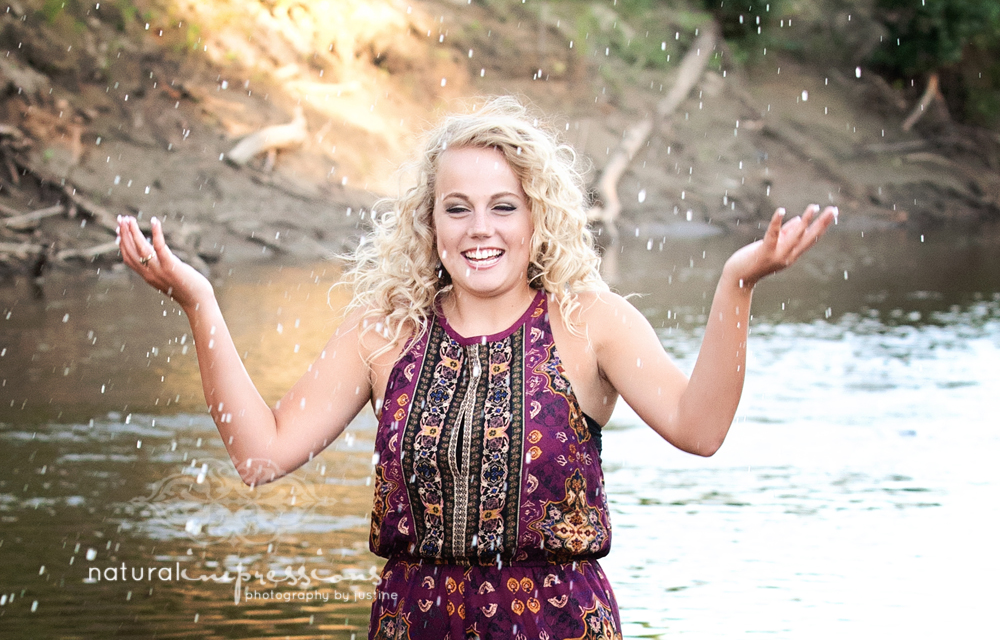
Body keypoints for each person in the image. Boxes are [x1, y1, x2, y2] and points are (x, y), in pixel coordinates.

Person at [117, 96, 835, 640]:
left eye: (503, 206)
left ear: (537, 217)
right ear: (429, 223)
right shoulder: (385, 330)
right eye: (456, 208)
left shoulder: (589, 321)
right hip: (412, 619)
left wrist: (737, 283)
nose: (480, 229)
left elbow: (700, 428)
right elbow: (260, 455)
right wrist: (199, 301)